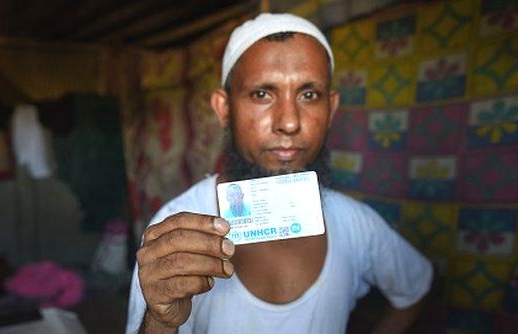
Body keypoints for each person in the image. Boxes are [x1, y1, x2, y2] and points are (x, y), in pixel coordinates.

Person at [126, 13, 433, 334]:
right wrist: (160, 320)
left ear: (331, 109)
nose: (289, 122)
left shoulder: (355, 223)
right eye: (262, 94)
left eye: (309, 94)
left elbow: (415, 288)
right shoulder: (175, 229)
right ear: (223, 109)